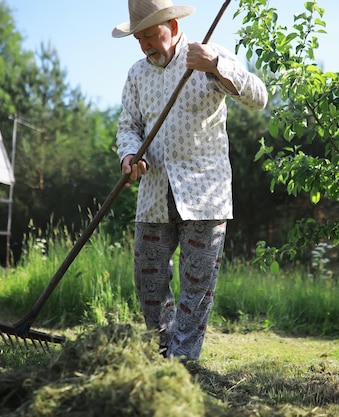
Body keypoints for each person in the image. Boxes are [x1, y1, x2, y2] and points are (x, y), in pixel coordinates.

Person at [112, 0, 268, 361]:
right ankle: (161, 351)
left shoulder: (208, 56)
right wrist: (129, 156)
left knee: (196, 288)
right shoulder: (137, 74)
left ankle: (183, 364)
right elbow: (128, 126)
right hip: (154, 194)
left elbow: (259, 98)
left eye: (151, 34)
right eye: (139, 38)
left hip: (204, 194)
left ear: (174, 26)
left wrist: (216, 67)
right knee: (148, 281)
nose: (146, 44)